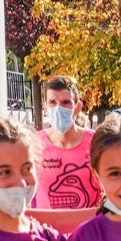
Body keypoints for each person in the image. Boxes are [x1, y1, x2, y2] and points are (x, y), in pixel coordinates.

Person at [30, 74, 102, 231]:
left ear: (77, 107)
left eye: (65, 103)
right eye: (52, 103)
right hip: (49, 239)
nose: (58, 108)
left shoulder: (97, 142)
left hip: (90, 235)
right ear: (45, 107)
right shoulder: (34, 143)